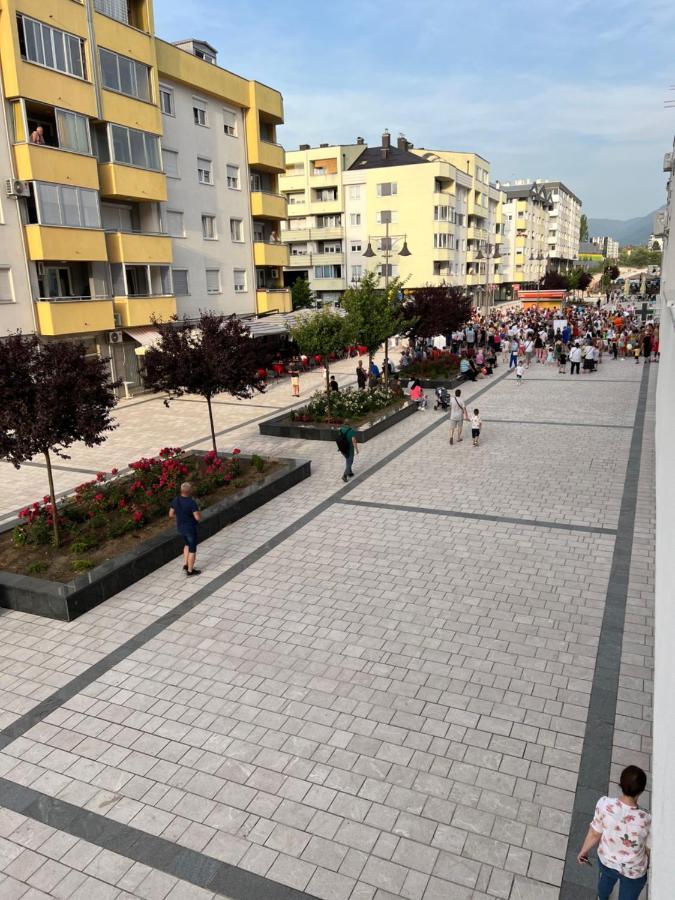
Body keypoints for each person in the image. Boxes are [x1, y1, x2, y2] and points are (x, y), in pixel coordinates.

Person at [577, 765, 651, 900]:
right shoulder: (646, 819)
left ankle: (602, 897)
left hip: (607, 860)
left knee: (605, 881)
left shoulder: (604, 804)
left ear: (620, 784)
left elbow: (594, 833)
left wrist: (583, 851)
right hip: (633, 871)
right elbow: (649, 848)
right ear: (641, 791)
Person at [169, 482, 201, 576]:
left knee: (186, 544)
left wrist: (180, 514)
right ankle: (190, 571)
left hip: (181, 528)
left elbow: (170, 514)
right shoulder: (191, 502)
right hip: (190, 528)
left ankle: (186, 565)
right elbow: (197, 518)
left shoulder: (176, 500)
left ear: (181, 490)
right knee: (192, 549)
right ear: (190, 491)